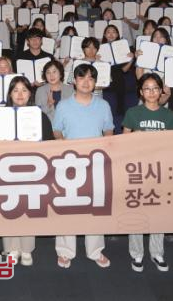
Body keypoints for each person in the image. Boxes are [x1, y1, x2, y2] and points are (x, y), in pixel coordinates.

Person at [52, 63, 113, 269]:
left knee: (95, 208)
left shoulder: (103, 105)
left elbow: (109, 130)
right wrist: (62, 143)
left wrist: (106, 145)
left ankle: (95, 250)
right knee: (67, 207)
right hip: (69, 163)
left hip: (96, 164)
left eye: (90, 78)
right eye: (82, 77)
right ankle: (65, 250)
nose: (86, 82)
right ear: (74, 81)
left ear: (95, 82)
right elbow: (57, 130)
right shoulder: (63, 106)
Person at [122, 73, 173, 272]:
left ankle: (157, 252)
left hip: (160, 170)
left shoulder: (168, 115)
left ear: (161, 91)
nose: (151, 92)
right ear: (141, 92)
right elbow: (123, 142)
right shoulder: (133, 112)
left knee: (158, 212)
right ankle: (136, 253)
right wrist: (133, 137)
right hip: (138, 169)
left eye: (155, 88)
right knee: (137, 211)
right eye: (147, 88)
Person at [1, 76, 54, 266]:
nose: (20, 94)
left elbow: (49, 144)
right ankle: (11, 248)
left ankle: (26, 249)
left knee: (27, 209)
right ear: (9, 94)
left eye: (24, 90)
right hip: (6, 169)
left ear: (30, 94)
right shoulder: (1, 116)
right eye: (15, 90)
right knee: (9, 208)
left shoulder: (40, 116)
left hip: (32, 169)